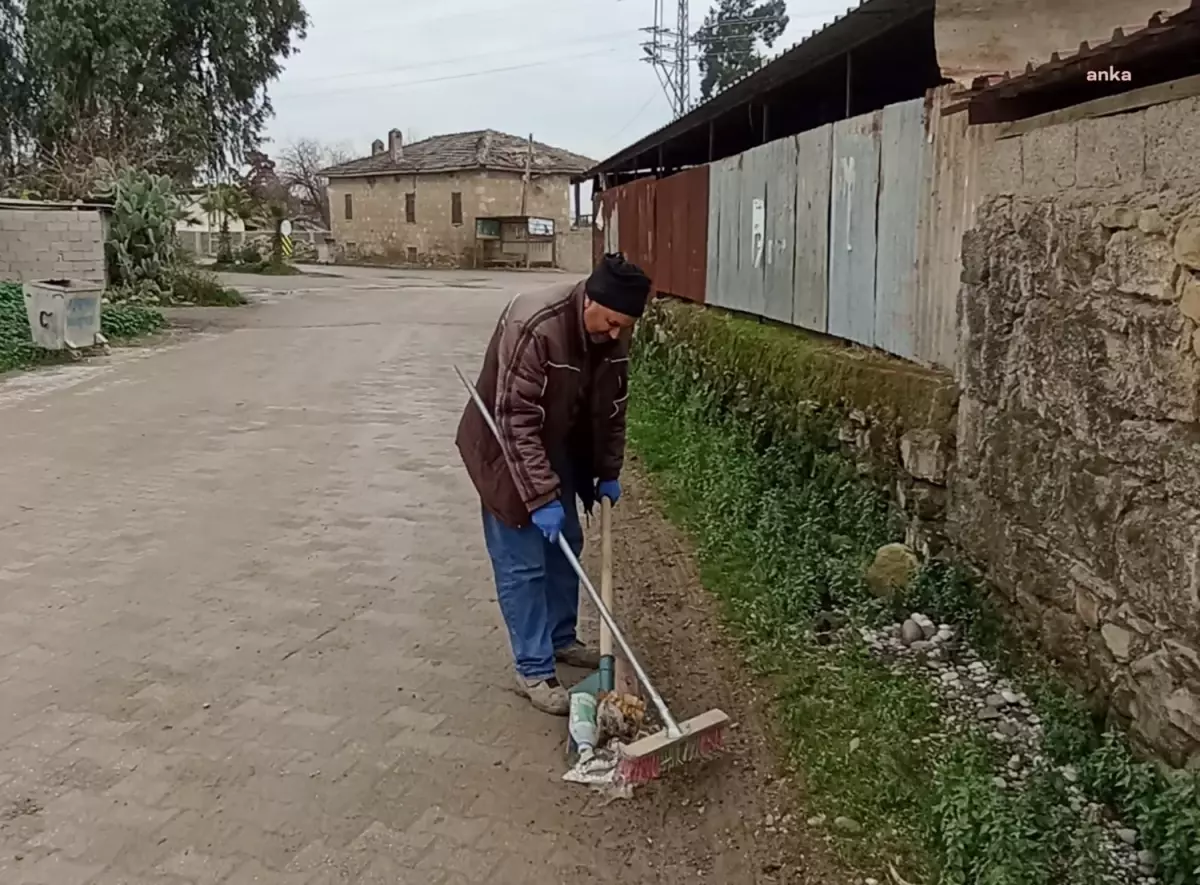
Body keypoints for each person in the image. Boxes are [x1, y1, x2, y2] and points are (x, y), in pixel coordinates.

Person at [455, 253, 652, 715]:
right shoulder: (535, 324)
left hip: (556, 444)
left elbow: (612, 411)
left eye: (625, 326)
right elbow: (515, 420)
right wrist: (540, 498)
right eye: (611, 323)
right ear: (590, 303)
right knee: (523, 561)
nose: (616, 334)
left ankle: (562, 640)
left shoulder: (613, 335)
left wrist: (607, 472)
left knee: (567, 544)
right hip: (504, 445)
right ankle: (533, 668)